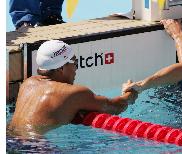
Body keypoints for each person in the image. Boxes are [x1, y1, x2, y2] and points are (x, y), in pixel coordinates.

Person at [8, 40, 138, 138]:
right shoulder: (73, 93)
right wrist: (130, 93)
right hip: (34, 147)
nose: (76, 68)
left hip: (9, 138)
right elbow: (115, 107)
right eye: (74, 63)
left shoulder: (28, 83)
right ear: (61, 68)